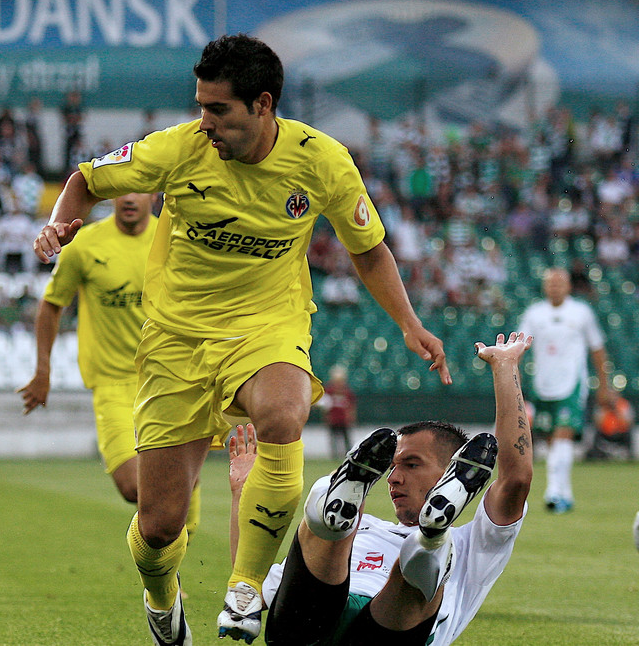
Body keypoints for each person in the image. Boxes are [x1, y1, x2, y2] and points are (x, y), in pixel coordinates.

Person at [32, 33, 450, 645]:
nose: (205, 123)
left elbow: (369, 249)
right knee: (158, 527)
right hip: (176, 339)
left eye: (218, 110)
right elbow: (86, 180)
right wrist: (56, 226)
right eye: (200, 106)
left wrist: (410, 323)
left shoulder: (323, 160)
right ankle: (160, 595)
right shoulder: (177, 150)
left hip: (266, 324)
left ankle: (247, 587)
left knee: (285, 412)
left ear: (262, 105)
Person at [225, 332, 533, 645]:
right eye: (390, 467)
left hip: (376, 627)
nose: (393, 478)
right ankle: (383, 529)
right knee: (340, 532)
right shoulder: (364, 526)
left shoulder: (475, 545)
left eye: (411, 465)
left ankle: (422, 539)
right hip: (324, 616)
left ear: (448, 471)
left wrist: (505, 366)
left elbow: (515, 480)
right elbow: (250, 590)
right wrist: (244, 495)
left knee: (414, 564)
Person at [18, 193, 200, 511]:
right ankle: (183, 500)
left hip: (166, 381)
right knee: (135, 485)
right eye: (123, 189)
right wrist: (43, 371)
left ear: (154, 194)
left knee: (168, 501)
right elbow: (51, 305)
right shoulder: (86, 245)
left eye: (139, 189)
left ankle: (175, 533)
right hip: (112, 383)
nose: (129, 198)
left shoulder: (174, 241)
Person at [517, 267, 617, 513]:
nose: (555, 288)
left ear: (568, 286)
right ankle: (565, 493)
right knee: (552, 440)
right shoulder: (534, 314)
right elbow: (519, 348)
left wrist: (604, 385)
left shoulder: (581, 312)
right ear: (544, 287)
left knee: (563, 435)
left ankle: (553, 493)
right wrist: (515, 381)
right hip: (543, 384)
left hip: (572, 383)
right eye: (551, 283)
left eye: (559, 283)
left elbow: (598, 350)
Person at [321, 365, 357, 460]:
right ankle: (335, 456)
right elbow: (325, 407)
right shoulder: (329, 391)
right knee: (334, 439)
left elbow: (351, 407)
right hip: (334, 419)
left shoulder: (347, 392)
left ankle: (348, 455)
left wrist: (350, 417)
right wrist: (327, 417)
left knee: (346, 439)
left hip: (343, 420)